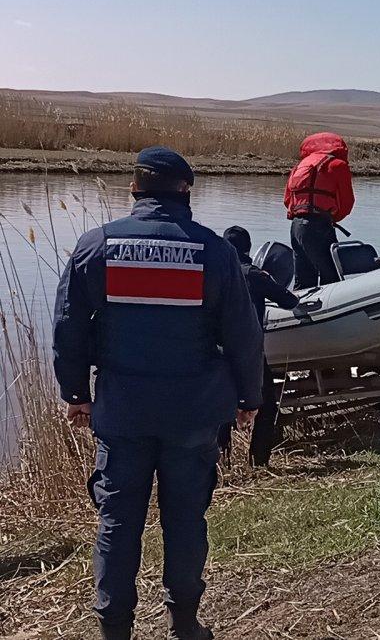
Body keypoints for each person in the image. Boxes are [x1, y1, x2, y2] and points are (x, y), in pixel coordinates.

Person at [53, 147, 263, 640]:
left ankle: (113, 630)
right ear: (186, 190)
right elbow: (243, 334)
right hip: (192, 416)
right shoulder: (214, 250)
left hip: (122, 413)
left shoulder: (96, 245)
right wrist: (250, 397)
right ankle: (185, 625)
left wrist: (75, 393)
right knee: (186, 520)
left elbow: (68, 328)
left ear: (134, 189)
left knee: (118, 522)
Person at [222, 225, 300, 466]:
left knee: (220, 407)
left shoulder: (214, 273)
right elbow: (289, 300)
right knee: (266, 406)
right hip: (249, 352)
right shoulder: (255, 275)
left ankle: (220, 463)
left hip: (216, 351)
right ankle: (258, 461)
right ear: (248, 249)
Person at [283, 132, 355, 289]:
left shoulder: (300, 166)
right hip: (319, 226)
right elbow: (347, 202)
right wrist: (332, 218)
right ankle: (335, 312)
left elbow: (287, 200)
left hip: (296, 227)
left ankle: (301, 310)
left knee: (303, 279)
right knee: (332, 277)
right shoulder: (338, 165)